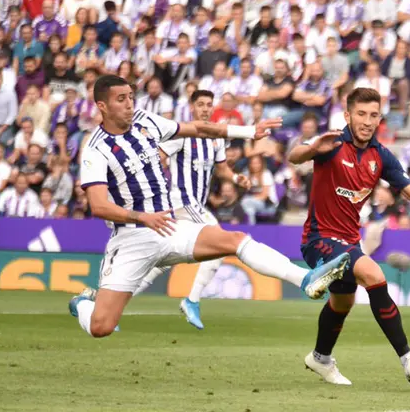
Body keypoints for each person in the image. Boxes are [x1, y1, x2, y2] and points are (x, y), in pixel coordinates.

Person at [68, 75, 350, 339]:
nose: (129, 104)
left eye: (131, 96)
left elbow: (199, 129)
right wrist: (143, 217)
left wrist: (249, 131)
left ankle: (307, 279)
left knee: (235, 240)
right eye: (121, 99)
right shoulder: (95, 148)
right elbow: (98, 205)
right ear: (102, 106)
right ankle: (83, 303)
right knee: (101, 326)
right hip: (131, 238)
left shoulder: (145, 121)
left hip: (169, 227)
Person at [287, 87, 410, 386]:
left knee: (343, 303)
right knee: (373, 274)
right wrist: (312, 147)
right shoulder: (330, 143)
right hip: (320, 237)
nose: (367, 121)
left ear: (380, 117)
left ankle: (320, 358)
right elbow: (295, 156)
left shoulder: (380, 156)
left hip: (348, 241)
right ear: (348, 115)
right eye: (361, 114)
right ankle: (408, 358)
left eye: (373, 115)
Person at [130, 90, 252, 328]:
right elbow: (158, 158)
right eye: (201, 105)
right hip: (180, 202)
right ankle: (192, 300)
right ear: (192, 107)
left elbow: (222, 169)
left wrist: (237, 179)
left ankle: (106, 301)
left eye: (209, 105)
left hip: (195, 205)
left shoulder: (216, 137)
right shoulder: (182, 134)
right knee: (221, 242)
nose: (205, 109)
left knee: (160, 262)